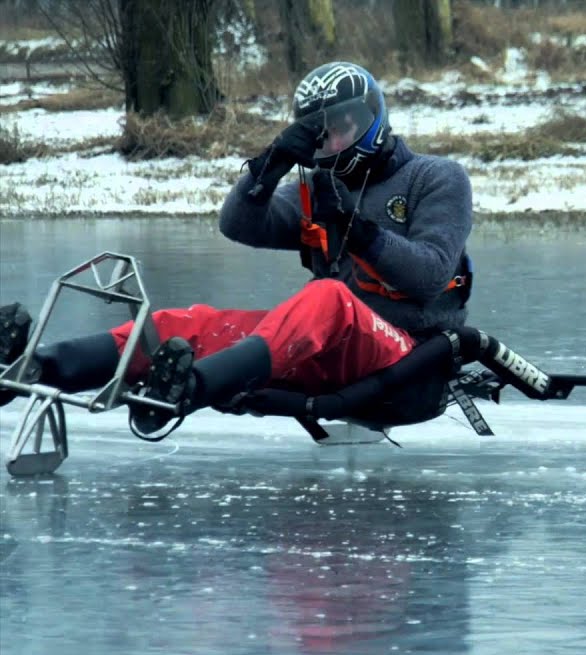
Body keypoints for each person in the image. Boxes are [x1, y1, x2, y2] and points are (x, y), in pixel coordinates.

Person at [0, 61, 474, 435]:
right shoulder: (318, 187)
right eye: (319, 131)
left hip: (407, 356)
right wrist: (270, 165)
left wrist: (356, 226)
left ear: (371, 120)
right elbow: (239, 224)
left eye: (341, 126)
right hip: (328, 349)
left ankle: (190, 389)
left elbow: (429, 274)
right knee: (183, 326)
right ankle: (35, 365)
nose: (331, 141)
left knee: (325, 298)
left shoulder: (435, 178)